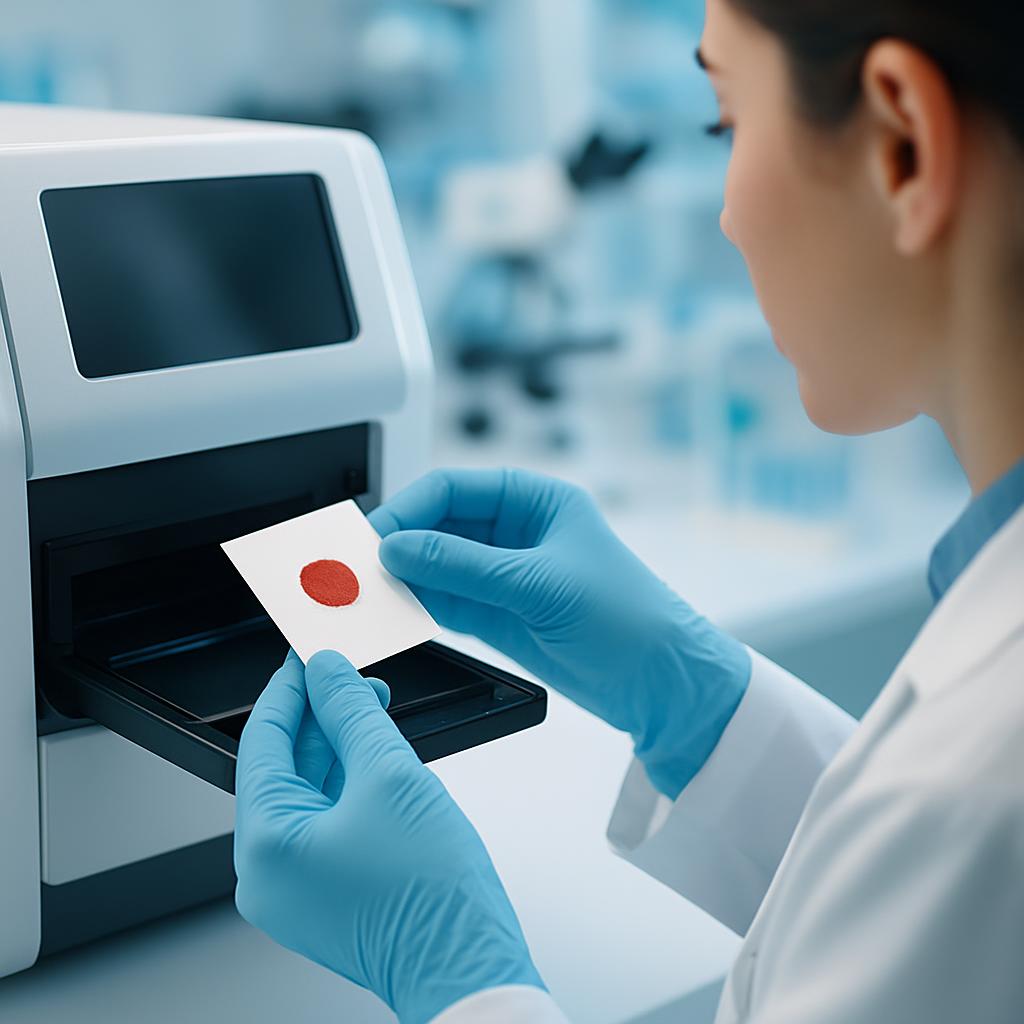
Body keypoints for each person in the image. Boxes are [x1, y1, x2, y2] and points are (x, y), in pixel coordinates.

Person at [231, 0, 1024, 1021]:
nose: (727, 214)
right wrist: (699, 705)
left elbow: (948, 855)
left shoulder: (980, 781)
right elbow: (922, 906)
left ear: (903, 149)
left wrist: (457, 978)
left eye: (727, 122)